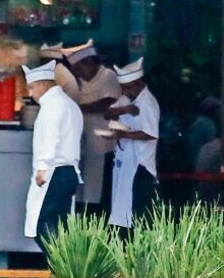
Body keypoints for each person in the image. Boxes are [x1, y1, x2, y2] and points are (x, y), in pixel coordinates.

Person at [21, 61, 83, 258]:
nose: (31, 93)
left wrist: (42, 167)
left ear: (43, 84)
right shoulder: (69, 104)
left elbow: (51, 136)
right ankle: (65, 267)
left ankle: (60, 263)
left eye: (31, 88)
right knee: (61, 224)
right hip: (68, 171)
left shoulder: (52, 106)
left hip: (54, 171)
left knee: (42, 222)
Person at [63, 39, 120, 212]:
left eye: (80, 68)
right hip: (82, 142)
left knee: (99, 188)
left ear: (90, 62)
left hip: (104, 146)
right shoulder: (76, 81)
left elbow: (106, 104)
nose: (78, 73)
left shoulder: (108, 76)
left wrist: (75, 108)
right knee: (81, 189)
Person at [106, 57, 160, 230]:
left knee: (138, 215)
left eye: (128, 87)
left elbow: (150, 134)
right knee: (122, 211)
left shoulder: (148, 103)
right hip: (126, 163)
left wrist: (124, 134)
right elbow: (108, 113)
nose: (125, 91)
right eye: (123, 88)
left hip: (141, 167)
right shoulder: (129, 99)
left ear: (138, 83)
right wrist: (125, 109)